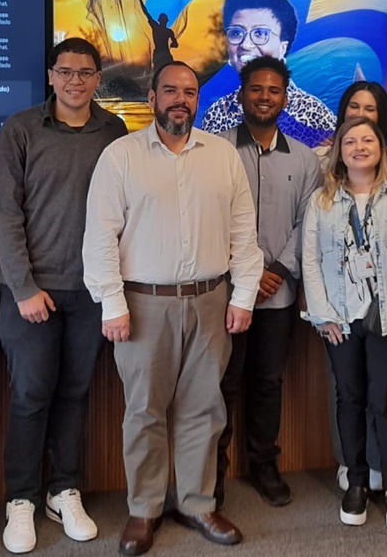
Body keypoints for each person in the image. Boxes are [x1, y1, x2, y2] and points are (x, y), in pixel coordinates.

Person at [83, 61, 263, 556]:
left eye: (189, 91)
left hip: (211, 300)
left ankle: (198, 503)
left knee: (205, 409)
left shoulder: (223, 157)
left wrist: (243, 296)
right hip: (143, 305)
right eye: (170, 90)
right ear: (152, 99)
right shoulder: (120, 156)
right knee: (144, 412)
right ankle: (143, 510)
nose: (180, 99)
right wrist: (112, 305)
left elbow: (244, 235)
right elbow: (100, 235)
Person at [0, 38, 128, 554]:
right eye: (66, 71)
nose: (75, 80)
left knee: (75, 394)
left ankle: (63, 490)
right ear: (51, 75)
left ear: (98, 78)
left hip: (91, 291)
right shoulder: (21, 129)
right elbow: (4, 214)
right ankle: (20, 500)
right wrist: (25, 288)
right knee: (29, 396)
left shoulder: (114, 131)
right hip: (31, 293)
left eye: (86, 72)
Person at [301, 116, 387, 532]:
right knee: (349, 399)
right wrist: (321, 314)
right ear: (339, 150)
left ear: (382, 149)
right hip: (339, 317)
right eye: (350, 141)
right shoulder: (322, 201)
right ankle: (355, 481)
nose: (359, 147)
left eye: (368, 140)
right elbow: (310, 262)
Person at [215, 56, 321, 508]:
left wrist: (277, 270)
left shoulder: (305, 158)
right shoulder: (214, 151)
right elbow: (207, 221)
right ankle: (212, 473)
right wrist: (244, 275)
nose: (264, 96)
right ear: (241, 95)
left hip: (277, 293)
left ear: (285, 97)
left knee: (267, 382)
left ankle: (264, 464)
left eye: (273, 90)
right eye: (255, 88)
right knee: (220, 383)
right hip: (225, 295)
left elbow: (308, 222)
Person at [199, 0, 336, 147]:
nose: (246, 44)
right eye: (236, 33)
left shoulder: (316, 115)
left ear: (283, 47)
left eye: (260, 34)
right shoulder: (217, 113)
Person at [134, 0, 178, 72]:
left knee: (165, 71)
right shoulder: (159, 28)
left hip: (163, 54)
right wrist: (140, 0)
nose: (163, 21)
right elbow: (146, 13)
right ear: (163, 21)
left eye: (164, 20)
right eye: (163, 20)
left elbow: (176, 44)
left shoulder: (165, 30)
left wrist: (173, 44)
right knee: (163, 71)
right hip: (162, 54)